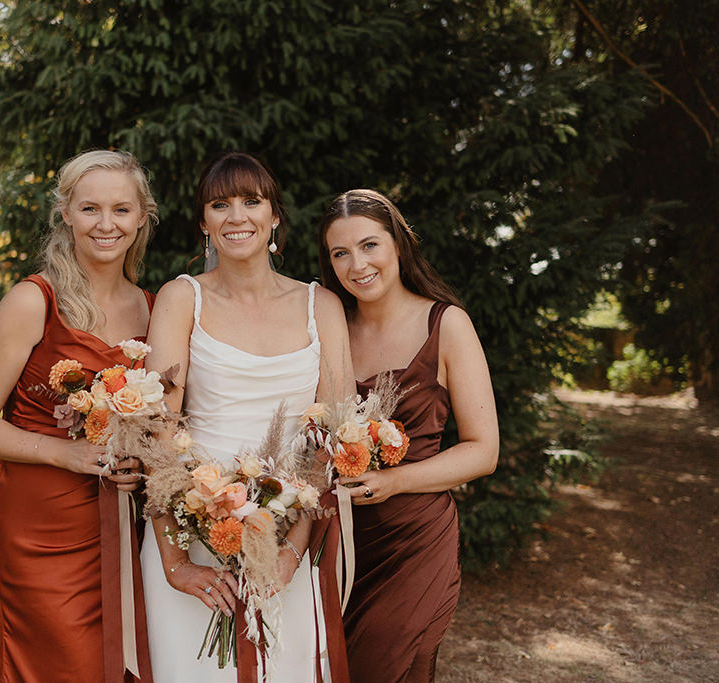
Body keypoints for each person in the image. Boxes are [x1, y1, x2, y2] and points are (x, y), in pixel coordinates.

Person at [140, 152, 354, 681]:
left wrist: (291, 550)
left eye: (251, 201)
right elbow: (156, 433)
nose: (237, 216)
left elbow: (331, 439)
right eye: (220, 204)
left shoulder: (319, 304)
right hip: (193, 522)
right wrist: (177, 560)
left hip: (292, 532)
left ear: (275, 216)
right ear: (204, 223)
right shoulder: (180, 298)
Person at [0, 149, 159, 682]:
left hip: (126, 511)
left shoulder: (155, 307)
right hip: (42, 517)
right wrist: (65, 453)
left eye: (121, 210)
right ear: (66, 213)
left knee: (127, 657)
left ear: (142, 216)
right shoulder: (33, 301)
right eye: (90, 209)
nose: (106, 224)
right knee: (59, 660)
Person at [317, 188, 499, 682]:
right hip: (337, 541)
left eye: (370, 244)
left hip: (414, 540)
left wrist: (397, 481)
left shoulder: (447, 323)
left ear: (398, 243)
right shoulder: (327, 325)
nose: (358, 264)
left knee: (391, 668)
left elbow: (484, 451)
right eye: (341, 252)